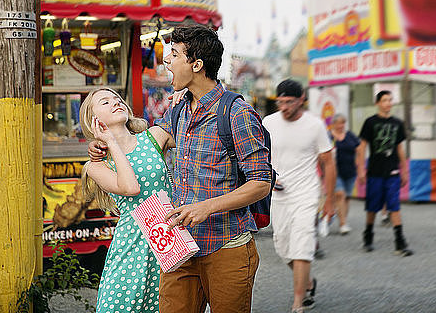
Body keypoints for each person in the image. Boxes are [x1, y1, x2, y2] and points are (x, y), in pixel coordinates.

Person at [89, 25, 272, 313]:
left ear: (196, 65)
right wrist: (101, 147)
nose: (166, 61)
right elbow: (141, 144)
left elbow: (261, 183)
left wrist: (206, 207)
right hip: (178, 249)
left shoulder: (237, 113)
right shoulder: (177, 111)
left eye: (174, 54)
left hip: (226, 244)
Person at [80, 88, 175, 313]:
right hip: (131, 248)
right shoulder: (96, 166)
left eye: (118, 99)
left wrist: (183, 95)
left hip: (168, 242)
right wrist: (110, 143)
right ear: (93, 120)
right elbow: (130, 188)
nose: (115, 102)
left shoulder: (154, 137)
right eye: (105, 102)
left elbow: (194, 134)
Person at [263, 79, 336, 313]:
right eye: (280, 102)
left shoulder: (314, 125)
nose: (284, 107)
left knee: (302, 246)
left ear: (301, 98)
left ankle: (299, 302)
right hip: (278, 196)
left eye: (289, 102)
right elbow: (260, 156)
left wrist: (330, 200)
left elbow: (328, 162)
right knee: (283, 248)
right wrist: (270, 177)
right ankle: (308, 283)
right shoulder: (268, 122)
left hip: (306, 194)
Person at [356, 90, 413, 256]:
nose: (388, 103)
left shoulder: (397, 123)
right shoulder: (370, 122)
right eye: (385, 100)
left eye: (390, 100)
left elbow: (400, 148)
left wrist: (404, 170)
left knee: (394, 205)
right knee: (372, 207)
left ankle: (400, 242)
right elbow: (362, 147)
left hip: (393, 170)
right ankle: (368, 235)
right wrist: (361, 169)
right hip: (374, 171)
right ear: (378, 103)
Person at [329, 114, 360, 235]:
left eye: (343, 123)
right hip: (335, 171)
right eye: (339, 123)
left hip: (350, 170)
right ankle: (342, 223)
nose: (341, 126)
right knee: (340, 194)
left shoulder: (350, 136)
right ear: (334, 124)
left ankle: (344, 219)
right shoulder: (330, 137)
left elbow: (359, 149)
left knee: (346, 197)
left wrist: (359, 163)